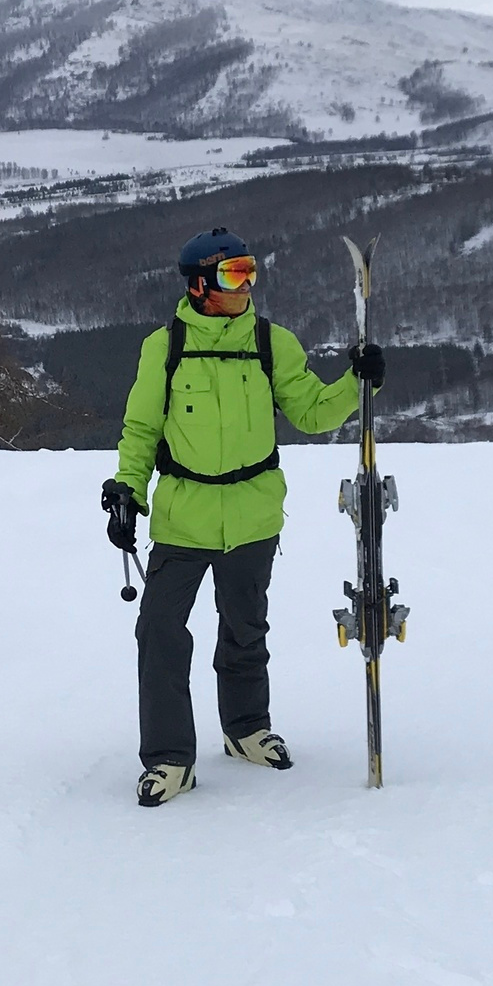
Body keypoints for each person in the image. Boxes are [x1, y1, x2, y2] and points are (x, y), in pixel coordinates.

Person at [100, 229, 386, 807]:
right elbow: (141, 430)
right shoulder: (165, 347)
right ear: (199, 286)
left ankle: (246, 729)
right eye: (234, 274)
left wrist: (360, 384)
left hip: (254, 515)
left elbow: (310, 412)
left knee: (245, 629)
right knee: (159, 632)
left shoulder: (270, 342)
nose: (247, 284)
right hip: (183, 516)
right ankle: (170, 758)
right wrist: (128, 490)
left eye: (251, 270)